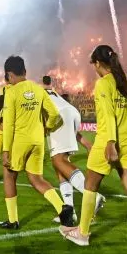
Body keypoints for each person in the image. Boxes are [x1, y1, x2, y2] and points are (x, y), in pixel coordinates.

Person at [60, 46, 127, 254]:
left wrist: (110, 143)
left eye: (93, 64)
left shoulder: (103, 84)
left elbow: (108, 114)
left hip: (107, 142)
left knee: (90, 186)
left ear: (97, 63)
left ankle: (83, 234)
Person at [0, 55, 74, 230]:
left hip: (19, 140)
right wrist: (47, 126)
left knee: (9, 176)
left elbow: (8, 124)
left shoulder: (11, 92)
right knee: (36, 178)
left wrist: (5, 150)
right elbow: (54, 114)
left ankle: (13, 220)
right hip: (37, 141)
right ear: (24, 71)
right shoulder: (39, 89)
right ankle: (62, 208)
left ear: (9, 75)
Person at [43, 76, 100, 224]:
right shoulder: (49, 92)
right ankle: (70, 212)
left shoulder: (29, 95)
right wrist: (86, 143)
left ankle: (93, 197)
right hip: (71, 112)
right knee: (60, 168)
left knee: (58, 160)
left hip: (59, 116)